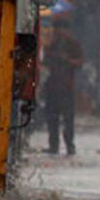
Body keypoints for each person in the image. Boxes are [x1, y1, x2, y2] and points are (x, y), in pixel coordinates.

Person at [41, 18, 84, 155]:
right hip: (52, 86)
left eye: (61, 29)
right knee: (52, 118)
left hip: (66, 86)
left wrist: (67, 60)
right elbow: (45, 62)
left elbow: (80, 62)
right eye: (56, 29)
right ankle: (54, 145)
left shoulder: (72, 44)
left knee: (68, 119)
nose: (59, 32)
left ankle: (69, 145)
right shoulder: (51, 44)